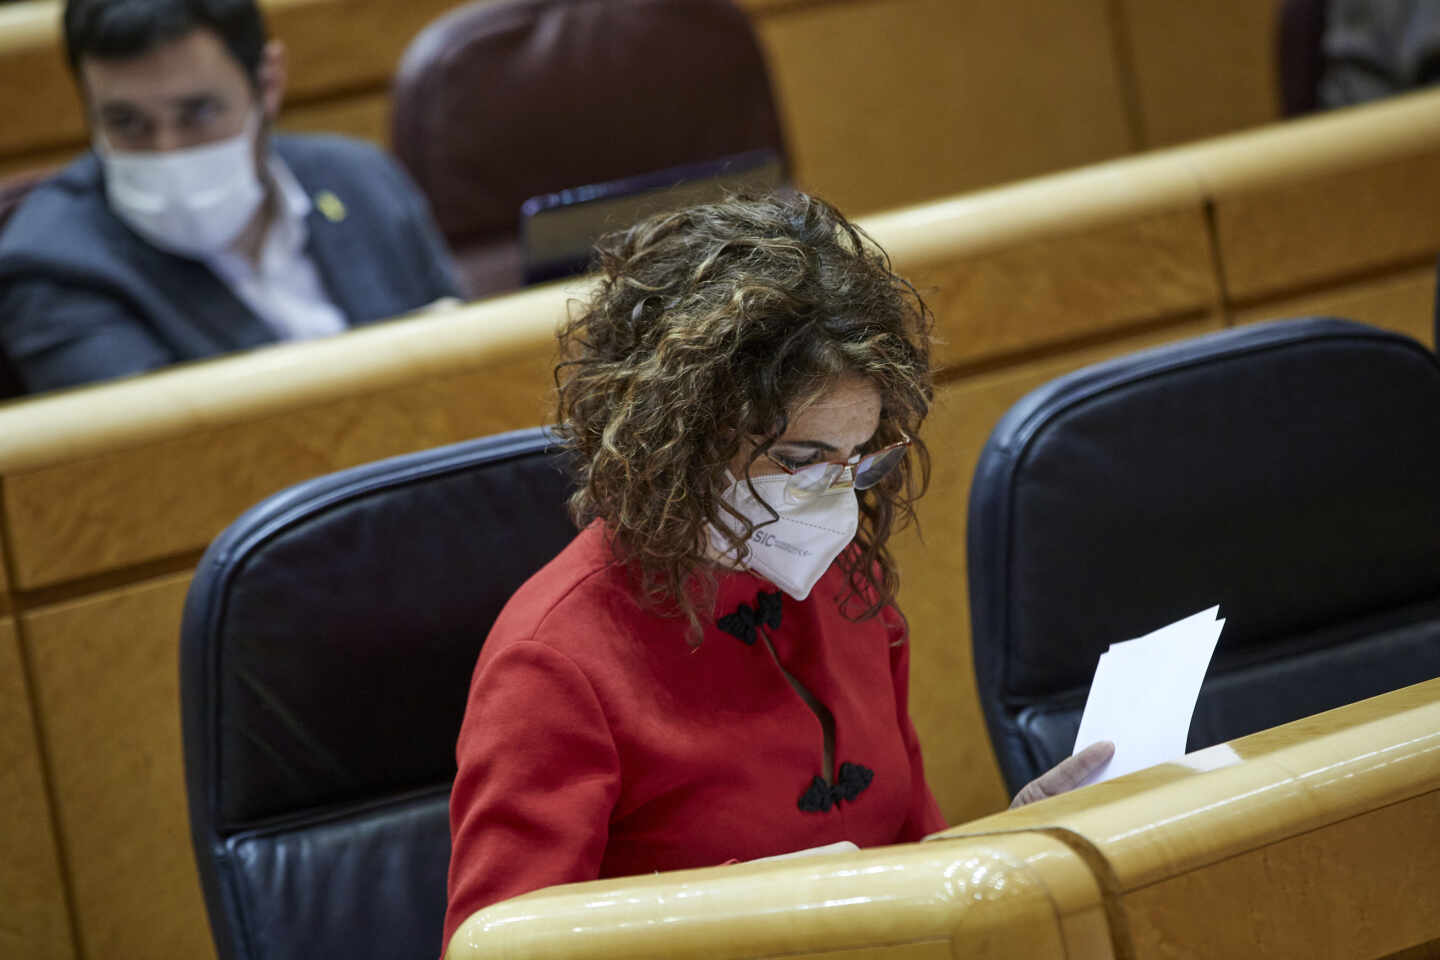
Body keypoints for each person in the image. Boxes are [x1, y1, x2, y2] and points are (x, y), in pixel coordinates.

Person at [441, 193, 1112, 952]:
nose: (837, 500)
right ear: (679, 439)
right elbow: (501, 946)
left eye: (859, 458)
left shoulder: (845, 584)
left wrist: (1010, 843)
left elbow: (912, 864)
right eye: (800, 460)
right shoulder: (554, 662)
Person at [0, 0, 461, 394]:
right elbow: (172, 466)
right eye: (126, 123)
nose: (168, 150)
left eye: (199, 112)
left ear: (268, 84)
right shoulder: (51, 269)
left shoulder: (361, 180)